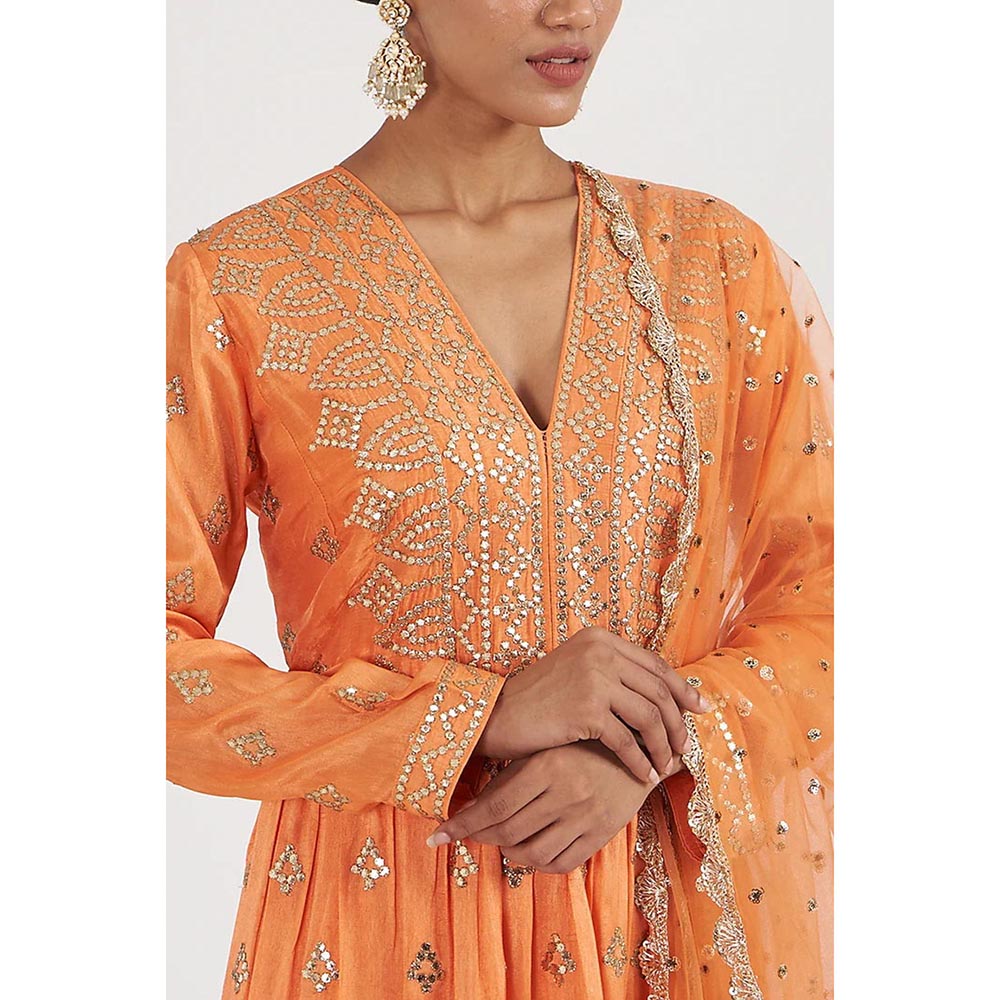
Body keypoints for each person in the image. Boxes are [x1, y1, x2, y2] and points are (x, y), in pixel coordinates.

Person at [166, 1, 834, 997]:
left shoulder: (713, 263)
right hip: (377, 918)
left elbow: (830, 597)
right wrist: (469, 720)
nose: (574, 10)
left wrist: (649, 753)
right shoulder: (241, 282)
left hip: (658, 912)